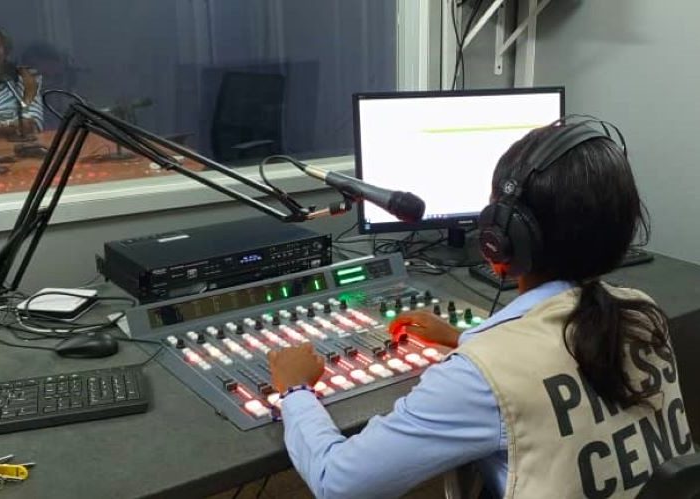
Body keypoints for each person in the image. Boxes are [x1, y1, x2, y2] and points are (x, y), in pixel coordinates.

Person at [267, 119, 694, 498]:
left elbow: (337, 482)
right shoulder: (642, 311)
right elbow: (550, 361)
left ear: (500, 237)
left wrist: (295, 391)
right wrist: (467, 338)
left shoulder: (479, 379)